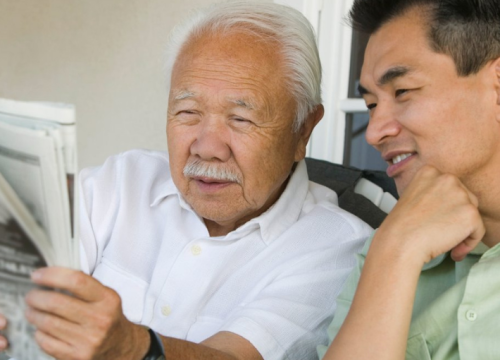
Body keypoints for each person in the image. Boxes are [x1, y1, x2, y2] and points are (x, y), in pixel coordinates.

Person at [0, 2, 373, 360]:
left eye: (241, 119)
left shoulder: (335, 246)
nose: (207, 148)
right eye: (188, 112)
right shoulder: (123, 180)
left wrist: (134, 349)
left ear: (303, 130)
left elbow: (234, 357)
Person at [319, 0, 500, 359]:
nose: (373, 132)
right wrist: (396, 252)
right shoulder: (389, 247)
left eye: (402, 91)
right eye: (371, 104)